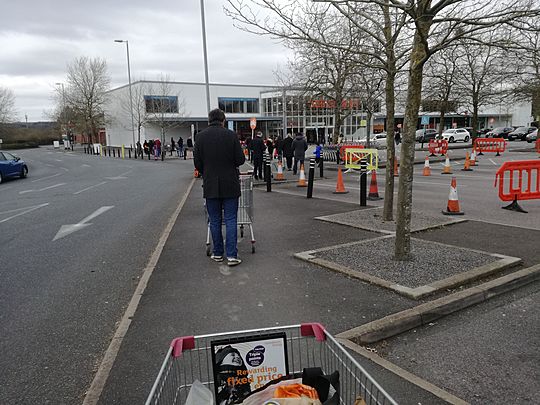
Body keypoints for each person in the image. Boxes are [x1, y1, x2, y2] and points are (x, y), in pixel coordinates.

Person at [194, 109, 245, 266]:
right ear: (223, 120)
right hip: (230, 184)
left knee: (214, 220)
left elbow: (197, 163)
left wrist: (207, 172)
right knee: (230, 219)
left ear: (209, 120)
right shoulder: (231, 136)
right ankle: (231, 256)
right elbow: (240, 160)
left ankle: (217, 253)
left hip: (210, 185)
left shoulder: (200, 137)